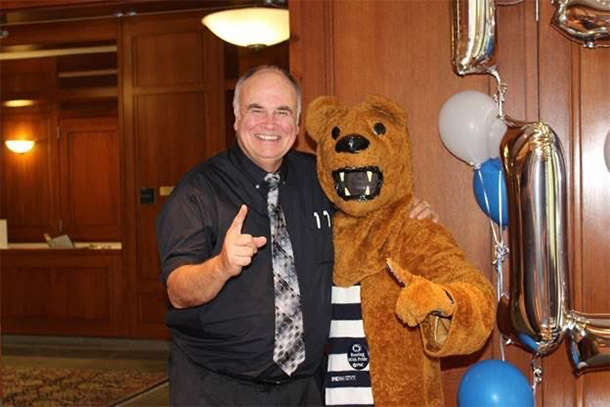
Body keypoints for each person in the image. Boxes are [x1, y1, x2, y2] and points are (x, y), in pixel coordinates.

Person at [156, 65, 438, 406]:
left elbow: (370, 219)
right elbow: (178, 292)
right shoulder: (198, 190)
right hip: (216, 388)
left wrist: (408, 214)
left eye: (282, 112)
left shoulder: (320, 179)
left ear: (298, 120)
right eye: (256, 110)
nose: (270, 124)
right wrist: (222, 266)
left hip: (304, 390)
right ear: (235, 118)